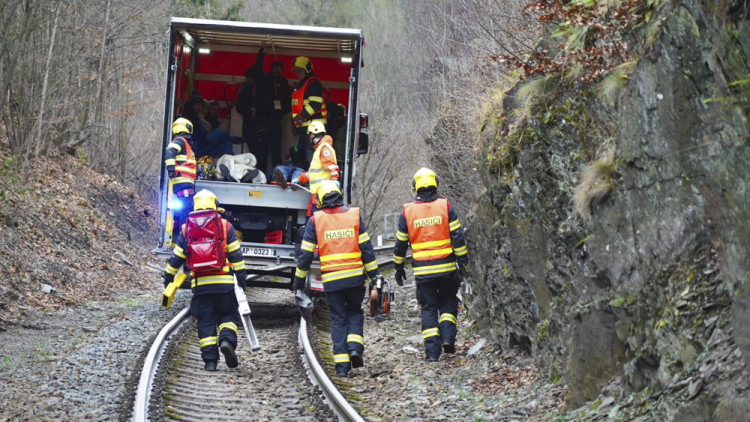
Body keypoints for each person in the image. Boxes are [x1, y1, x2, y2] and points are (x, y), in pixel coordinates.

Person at [293, 180, 381, 377]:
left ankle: (342, 366)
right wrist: (375, 276)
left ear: (321, 200)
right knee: (355, 313)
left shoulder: (316, 220)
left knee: (338, 319)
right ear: (340, 196)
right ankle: (356, 349)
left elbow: (305, 256)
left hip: (332, 282)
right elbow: (367, 250)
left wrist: (298, 282)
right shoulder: (354, 216)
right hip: (355, 280)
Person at [162, 189, 248, 372]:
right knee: (228, 316)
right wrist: (241, 278)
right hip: (224, 284)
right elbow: (236, 255)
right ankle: (226, 341)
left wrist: (168, 277)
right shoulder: (225, 226)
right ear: (215, 205)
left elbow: (177, 257)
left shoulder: (187, 229)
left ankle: (210, 361)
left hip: (200, 286)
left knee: (205, 321)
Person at [392, 168, 469, 362]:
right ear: (436, 184)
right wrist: (463, 264)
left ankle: (432, 354)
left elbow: (401, 244)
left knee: (428, 308)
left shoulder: (408, 212)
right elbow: (457, 238)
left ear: (415, 188)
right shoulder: (446, 206)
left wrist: (398, 267)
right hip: (446, 269)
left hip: (423, 272)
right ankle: (448, 338)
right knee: (448, 302)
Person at [165, 117, 197, 242]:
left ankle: (183, 237)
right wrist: (171, 169)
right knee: (186, 210)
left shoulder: (184, 143)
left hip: (184, 183)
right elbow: (169, 151)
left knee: (187, 209)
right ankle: (183, 239)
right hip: (183, 182)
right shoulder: (180, 141)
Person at [296, 121, 339, 215]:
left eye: (310, 134)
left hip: (322, 193)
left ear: (314, 134)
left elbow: (331, 166)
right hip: (317, 193)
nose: (309, 137)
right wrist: (299, 179)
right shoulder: (319, 149)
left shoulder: (324, 148)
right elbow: (312, 172)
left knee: (314, 222)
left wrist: (334, 180)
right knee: (310, 220)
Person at [291, 56, 328, 166]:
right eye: (296, 70)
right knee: (304, 154)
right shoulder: (303, 84)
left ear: (306, 70)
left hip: (314, 128)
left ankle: (313, 179)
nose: (297, 73)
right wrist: (296, 123)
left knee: (311, 155)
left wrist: (302, 116)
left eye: (300, 70)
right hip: (305, 127)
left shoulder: (313, 84)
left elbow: (316, 103)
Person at [265, 59, 292, 168]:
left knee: (276, 147)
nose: (278, 71)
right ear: (272, 69)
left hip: (277, 119)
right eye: (276, 68)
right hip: (265, 118)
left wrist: (281, 111)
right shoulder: (266, 79)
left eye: (280, 69)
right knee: (263, 148)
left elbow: (288, 99)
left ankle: (276, 172)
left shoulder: (284, 81)